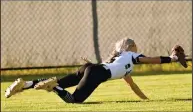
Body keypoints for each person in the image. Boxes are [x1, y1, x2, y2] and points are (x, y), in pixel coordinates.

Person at [5, 38, 186, 103]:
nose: (137, 47)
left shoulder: (122, 64)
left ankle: (26, 83)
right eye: (134, 45)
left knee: (61, 80)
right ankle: (54, 88)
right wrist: (172, 58)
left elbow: (133, 86)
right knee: (74, 100)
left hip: (92, 68)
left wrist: (146, 101)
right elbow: (153, 60)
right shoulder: (131, 57)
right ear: (129, 47)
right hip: (97, 72)